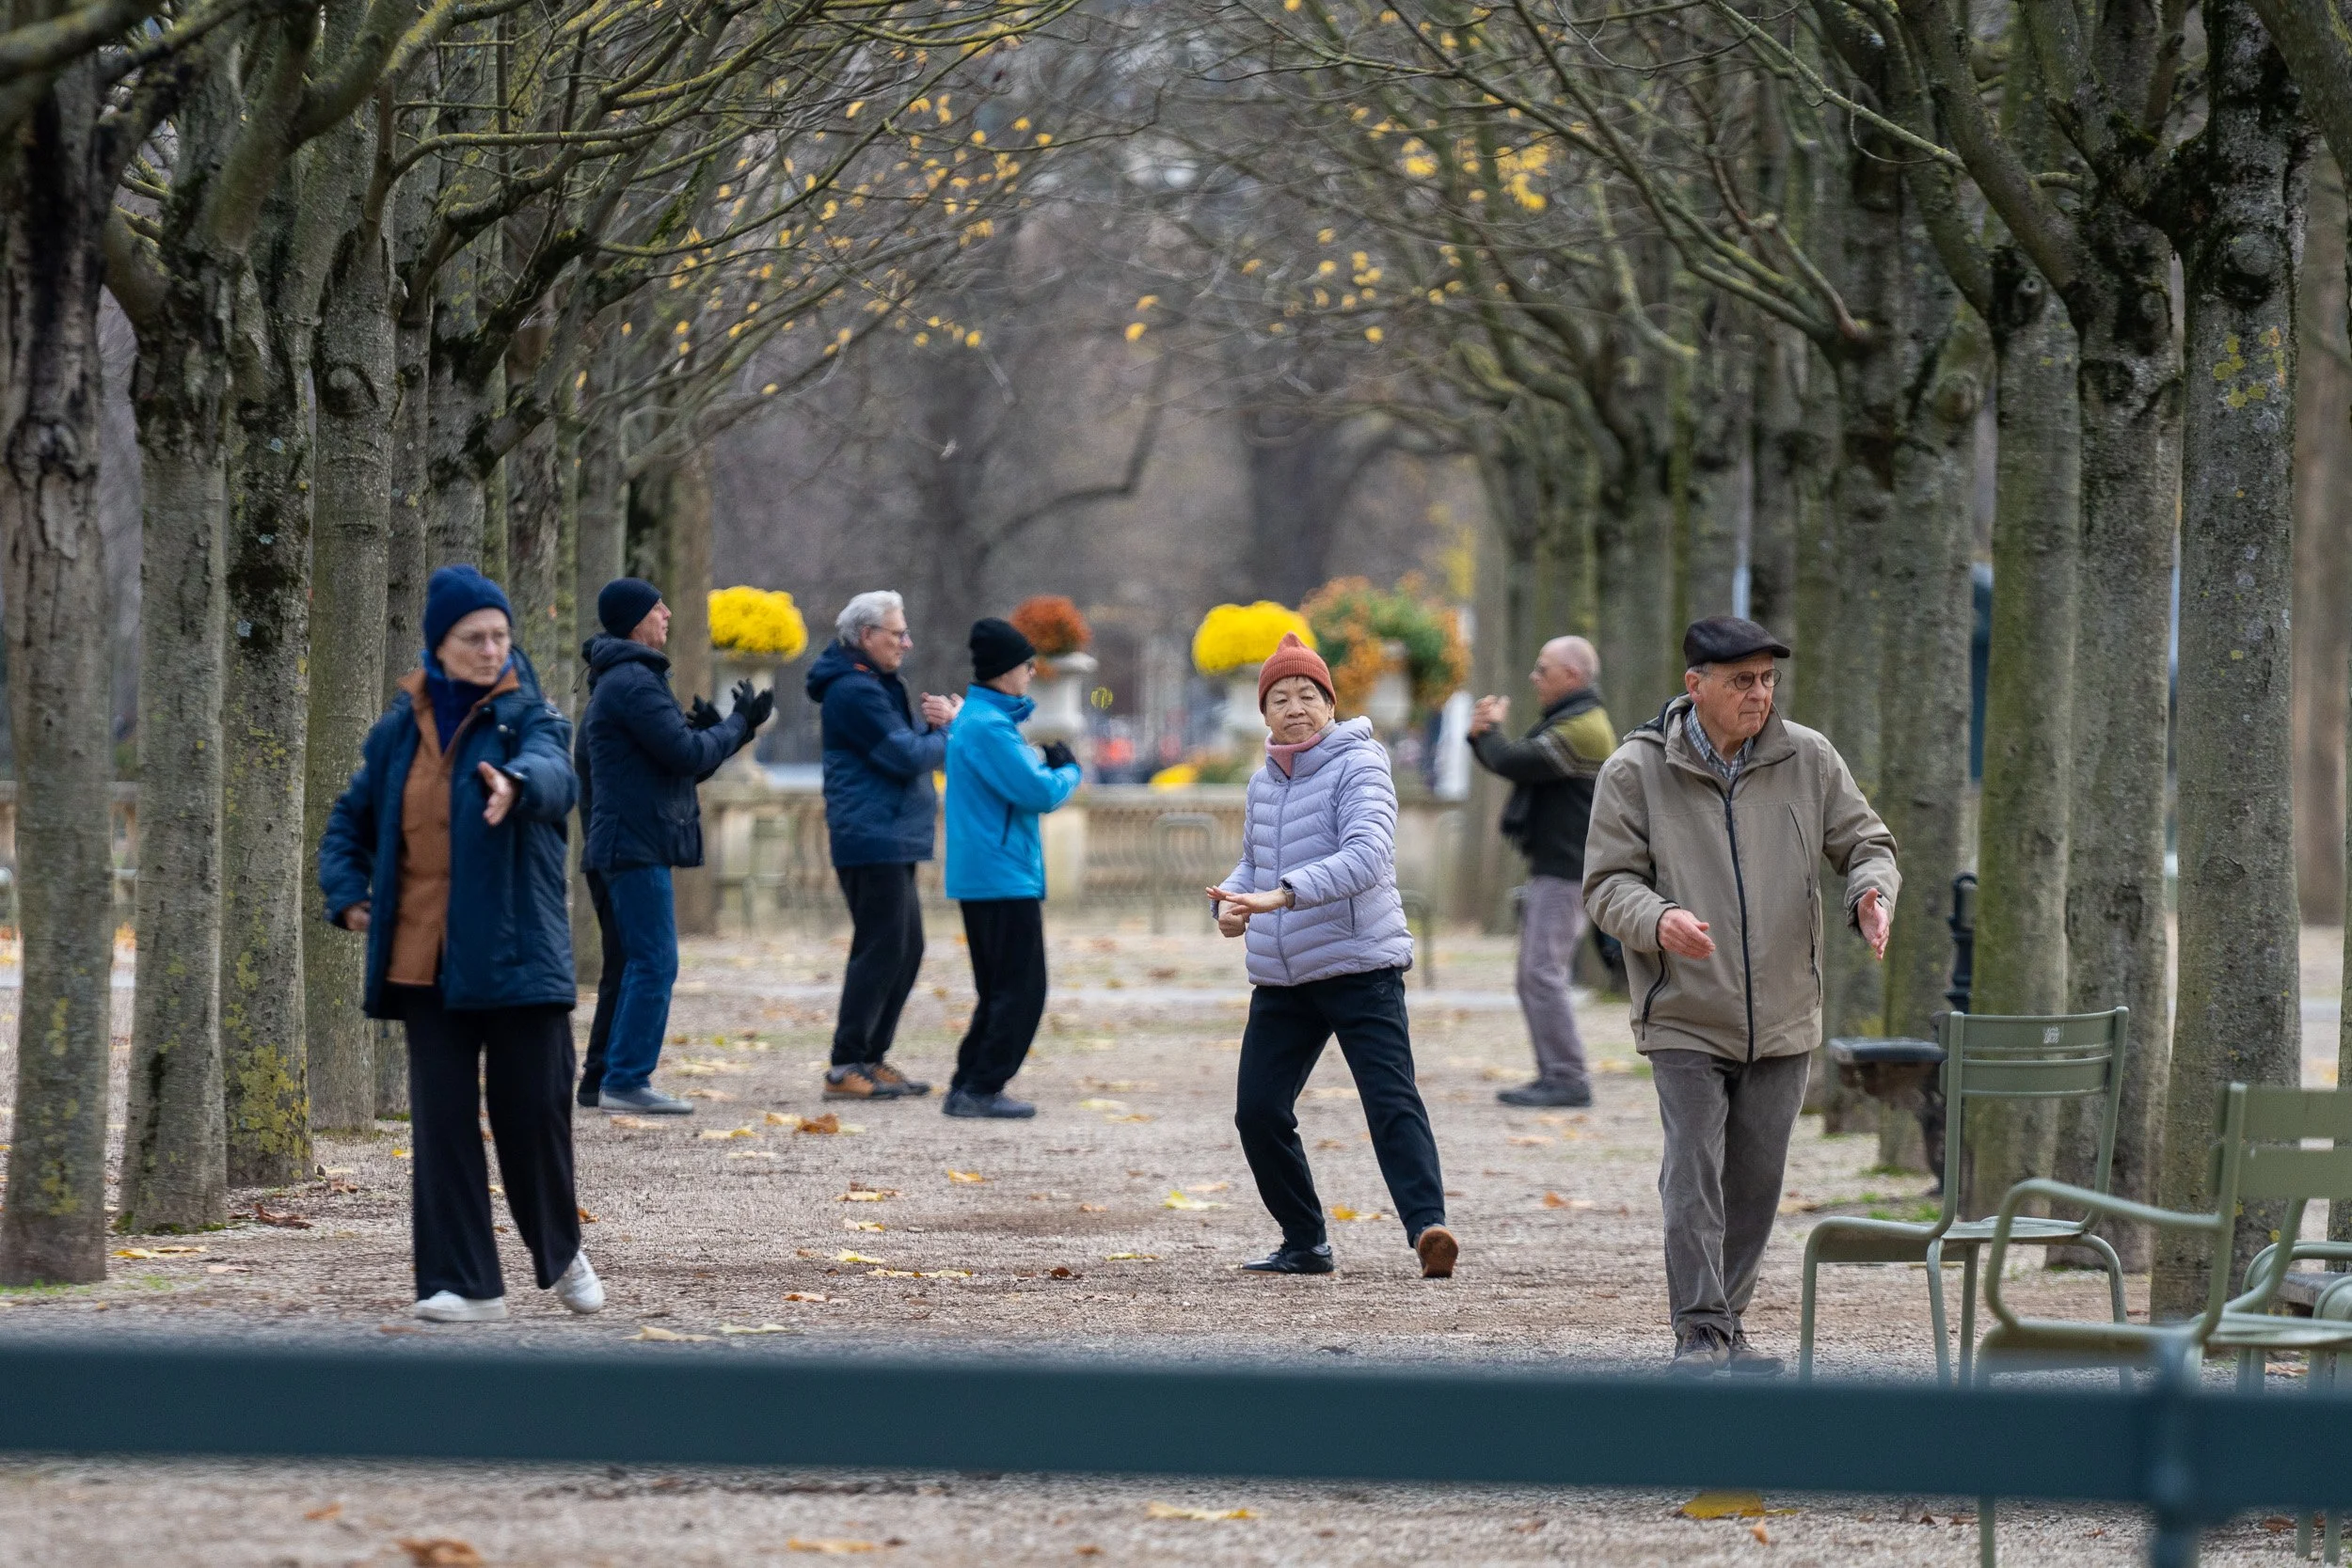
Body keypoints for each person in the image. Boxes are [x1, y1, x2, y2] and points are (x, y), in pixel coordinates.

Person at [1583, 615, 1899, 1376]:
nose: (1759, 695)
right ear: (1696, 688)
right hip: (1685, 1008)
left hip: (1785, 1015)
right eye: (1741, 682)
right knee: (1694, 1169)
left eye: (1767, 680)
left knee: (1755, 1182)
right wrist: (1658, 920)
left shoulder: (1809, 757)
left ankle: (1727, 1322)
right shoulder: (1635, 770)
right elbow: (1606, 884)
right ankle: (1699, 1330)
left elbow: (1867, 842)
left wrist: (1869, 894)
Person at [318, 564, 602, 1323]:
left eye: (500, 635)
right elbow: (348, 823)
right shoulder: (396, 732)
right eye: (474, 637)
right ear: (439, 646)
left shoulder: (528, 717)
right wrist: (347, 896)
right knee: (441, 1123)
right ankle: (466, 1283)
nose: (490, 648)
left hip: (517, 956)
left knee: (530, 1117)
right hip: (424, 958)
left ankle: (560, 1244)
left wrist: (515, 784)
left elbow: (556, 776)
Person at [1209, 632, 1458, 1281]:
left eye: (1308, 695)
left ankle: (1428, 1226)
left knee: (1389, 1097)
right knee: (1258, 1111)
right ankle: (1304, 1240)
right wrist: (1232, 903)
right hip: (1284, 975)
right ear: (1264, 714)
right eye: (1281, 697)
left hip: (1359, 963)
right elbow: (1254, 862)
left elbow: (1368, 856)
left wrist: (1282, 895)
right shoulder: (1263, 782)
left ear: (1330, 703)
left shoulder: (1362, 763)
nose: (1295, 707)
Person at [577, 578, 771, 1114]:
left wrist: (736, 734)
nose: (666, 612)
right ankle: (627, 1080)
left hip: (617, 842)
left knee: (626, 962)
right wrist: (735, 725)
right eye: (655, 606)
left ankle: (601, 1080)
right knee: (655, 962)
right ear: (634, 620)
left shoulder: (618, 682)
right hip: (633, 845)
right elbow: (685, 754)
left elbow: (673, 769)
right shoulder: (635, 682)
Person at [806, 591, 961, 1100]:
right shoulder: (854, 692)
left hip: (890, 836)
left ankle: (870, 1056)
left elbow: (911, 748)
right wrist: (952, 732)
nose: (907, 643)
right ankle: (844, 1064)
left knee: (905, 947)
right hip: (870, 836)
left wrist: (937, 729)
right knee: (881, 948)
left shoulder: (875, 685)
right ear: (867, 635)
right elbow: (905, 756)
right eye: (897, 633)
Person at [941, 618, 1083, 1119]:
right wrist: (1069, 769)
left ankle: (968, 1082)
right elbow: (1038, 792)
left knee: (1000, 988)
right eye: (1026, 665)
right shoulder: (988, 727)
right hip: (1000, 874)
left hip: (990, 872)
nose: (1031, 673)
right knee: (1021, 990)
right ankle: (980, 1086)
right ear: (1005, 671)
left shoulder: (981, 721)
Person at [1469, 636, 1616, 1109]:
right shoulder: (1574, 721)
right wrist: (1482, 737)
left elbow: (1516, 762)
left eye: (1543, 669)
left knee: (1542, 974)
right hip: (1558, 867)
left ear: (1572, 676)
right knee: (1535, 975)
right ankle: (1556, 1072)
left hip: (1568, 870)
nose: (1534, 678)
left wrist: (1487, 731)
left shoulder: (1583, 729)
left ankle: (1568, 1078)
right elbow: (1516, 765)